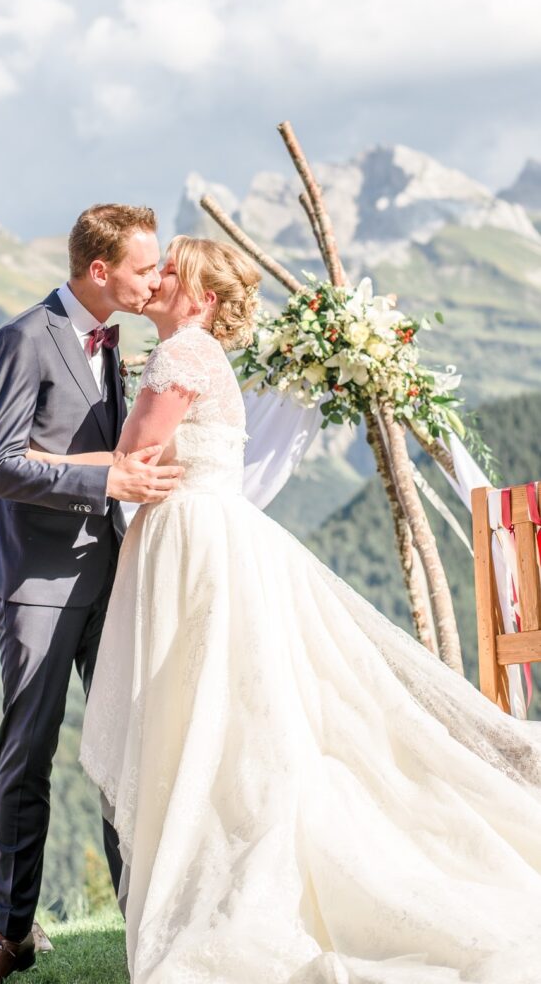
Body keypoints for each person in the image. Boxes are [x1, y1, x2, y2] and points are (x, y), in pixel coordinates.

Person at [40, 237, 541, 982]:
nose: (160, 279)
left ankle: (234, 885)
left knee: (208, 715)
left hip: (190, 542)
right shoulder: (195, 353)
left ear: (203, 297)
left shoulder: (181, 354)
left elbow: (133, 461)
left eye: (172, 272)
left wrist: (30, 462)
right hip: (199, 537)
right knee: (224, 713)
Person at [0, 204, 183, 984]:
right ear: (99, 271)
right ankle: (10, 933)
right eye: (143, 267)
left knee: (125, 749)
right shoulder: (20, 338)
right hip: (41, 585)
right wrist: (105, 477)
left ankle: (143, 924)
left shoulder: (115, 342)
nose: (154, 279)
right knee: (30, 754)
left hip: (113, 573)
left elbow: (110, 449)